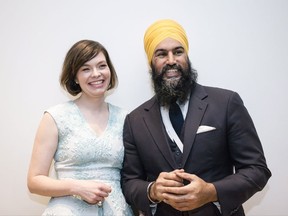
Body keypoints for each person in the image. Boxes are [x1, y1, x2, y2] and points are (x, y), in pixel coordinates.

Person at [121, 19, 271, 216]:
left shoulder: (226, 103)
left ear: (187, 56)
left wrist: (211, 192)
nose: (171, 60)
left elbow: (257, 169)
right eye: (161, 54)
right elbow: (129, 182)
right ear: (151, 62)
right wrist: (153, 191)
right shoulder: (135, 120)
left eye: (178, 51)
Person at [27, 39, 133, 216]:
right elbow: (34, 181)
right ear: (74, 77)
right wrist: (77, 187)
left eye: (101, 66)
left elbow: (133, 176)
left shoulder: (126, 118)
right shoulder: (55, 117)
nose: (96, 74)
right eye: (86, 69)